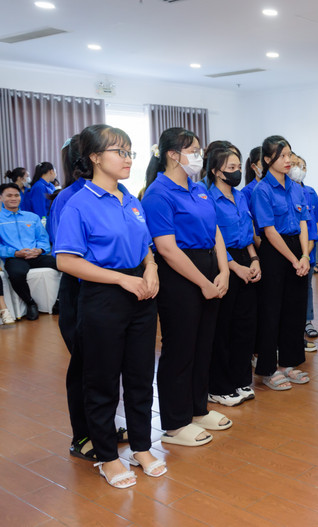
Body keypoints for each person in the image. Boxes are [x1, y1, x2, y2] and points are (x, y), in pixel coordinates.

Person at [54, 124, 164, 489]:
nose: (128, 158)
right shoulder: (78, 203)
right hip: (104, 295)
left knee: (139, 375)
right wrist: (121, 279)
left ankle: (142, 447)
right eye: (119, 151)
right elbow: (67, 261)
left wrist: (150, 268)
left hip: (141, 294)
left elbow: (147, 244)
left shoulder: (130, 199)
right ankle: (107, 456)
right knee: (101, 380)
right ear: (95, 157)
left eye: (130, 151)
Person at [142, 127, 231, 447]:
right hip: (180, 274)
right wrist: (205, 282)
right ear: (173, 155)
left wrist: (223, 270)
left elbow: (216, 230)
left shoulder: (198, 188)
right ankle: (175, 423)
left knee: (203, 344)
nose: (200, 155)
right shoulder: (158, 193)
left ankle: (197, 409)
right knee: (180, 348)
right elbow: (166, 248)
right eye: (194, 150)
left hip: (209, 267)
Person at [251, 135, 311, 390]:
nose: (288, 160)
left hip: (298, 249)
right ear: (267, 160)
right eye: (282, 156)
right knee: (271, 311)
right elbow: (269, 230)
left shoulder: (296, 187)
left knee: (295, 310)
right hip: (275, 253)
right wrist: (293, 258)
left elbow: (304, 222)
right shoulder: (261, 190)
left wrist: (305, 256)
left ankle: (289, 363)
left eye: (289, 155)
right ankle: (267, 369)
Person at [205, 145, 261, 406]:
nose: (237, 172)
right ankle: (219, 386)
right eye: (231, 168)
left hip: (244, 259)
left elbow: (248, 235)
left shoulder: (241, 197)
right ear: (216, 171)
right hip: (222, 264)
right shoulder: (208, 199)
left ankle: (241, 380)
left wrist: (253, 259)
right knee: (223, 328)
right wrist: (233, 267)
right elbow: (214, 239)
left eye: (238, 167)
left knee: (245, 325)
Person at [0, 183, 58, 320]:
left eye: (16, 195)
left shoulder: (32, 217)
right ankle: (30, 303)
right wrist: (14, 253)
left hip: (36, 256)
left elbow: (43, 238)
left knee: (64, 264)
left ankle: (60, 301)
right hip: (14, 258)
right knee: (16, 274)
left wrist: (40, 250)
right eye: (9, 195)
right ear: (1, 198)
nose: (13, 198)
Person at [289, 154, 318, 346]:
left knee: (307, 287)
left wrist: (307, 249)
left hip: (307, 250)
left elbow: (316, 222)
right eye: (294, 165)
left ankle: (307, 321)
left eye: (301, 166)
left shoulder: (310, 192)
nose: (297, 169)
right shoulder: (284, 192)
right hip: (287, 251)